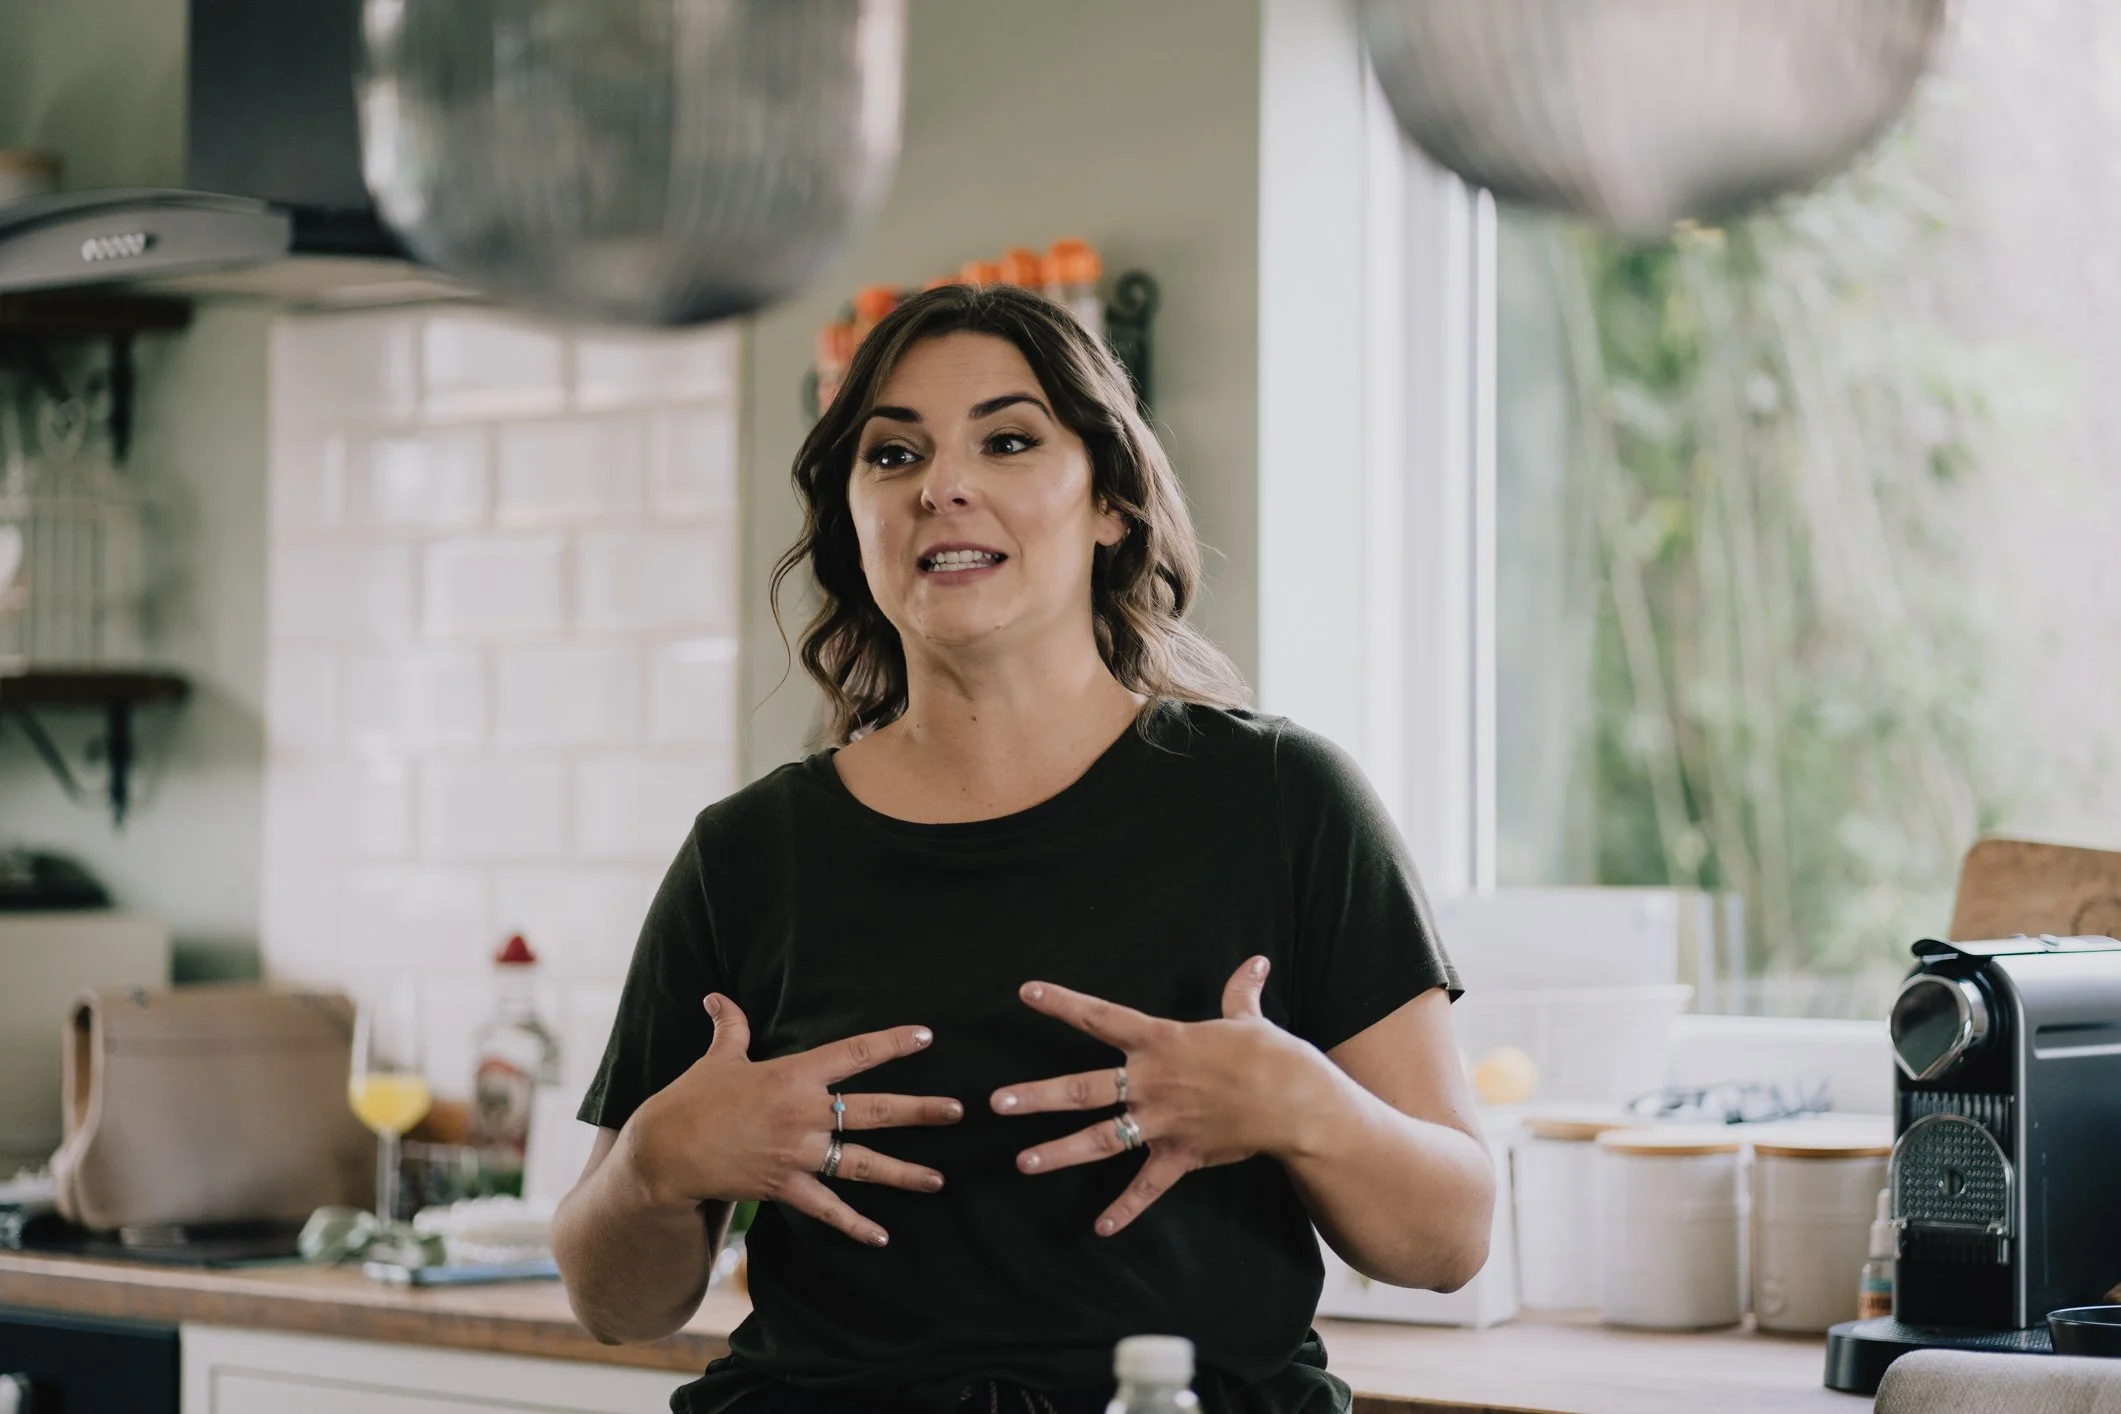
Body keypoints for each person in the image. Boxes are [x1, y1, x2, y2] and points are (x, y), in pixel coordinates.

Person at [551, 283, 1494, 1414]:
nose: (943, 484)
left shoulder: (1286, 802)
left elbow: (1450, 1240)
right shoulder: (748, 855)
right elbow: (618, 1303)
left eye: (1008, 440)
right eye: (892, 456)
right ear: (855, 527)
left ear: (1110, 503)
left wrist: (1305, 1105)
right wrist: (660, 1161)